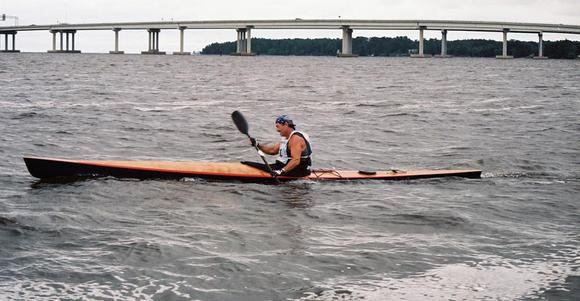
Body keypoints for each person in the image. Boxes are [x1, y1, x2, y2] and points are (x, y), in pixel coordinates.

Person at [244, 115, 312, 177]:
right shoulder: (286, 138)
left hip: (298, 171)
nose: (277, 130)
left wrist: (281, 171)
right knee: (250, 164)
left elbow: (296, 160)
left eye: (278, 126)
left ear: (286, 124)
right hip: (284, 167)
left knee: (250, 164)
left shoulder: (296, 139)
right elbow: (272, 151)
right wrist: (257, 145)